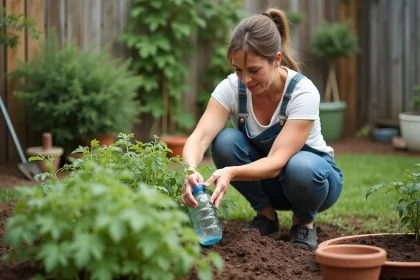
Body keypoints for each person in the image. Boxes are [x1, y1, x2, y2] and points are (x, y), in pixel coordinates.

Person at [180, 8, 343, 251]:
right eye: (238, 69)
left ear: (276, 60)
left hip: (315, 183)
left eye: (254, 70)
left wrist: (231, 172)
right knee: (224, 141)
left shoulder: (302, 92)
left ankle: (304, 223)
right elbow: (200, 137)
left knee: (300, 166)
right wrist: (189, 171)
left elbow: (278, 160)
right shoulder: (232, 87)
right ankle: (266, 217)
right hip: (271, 184)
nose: (245, 79)